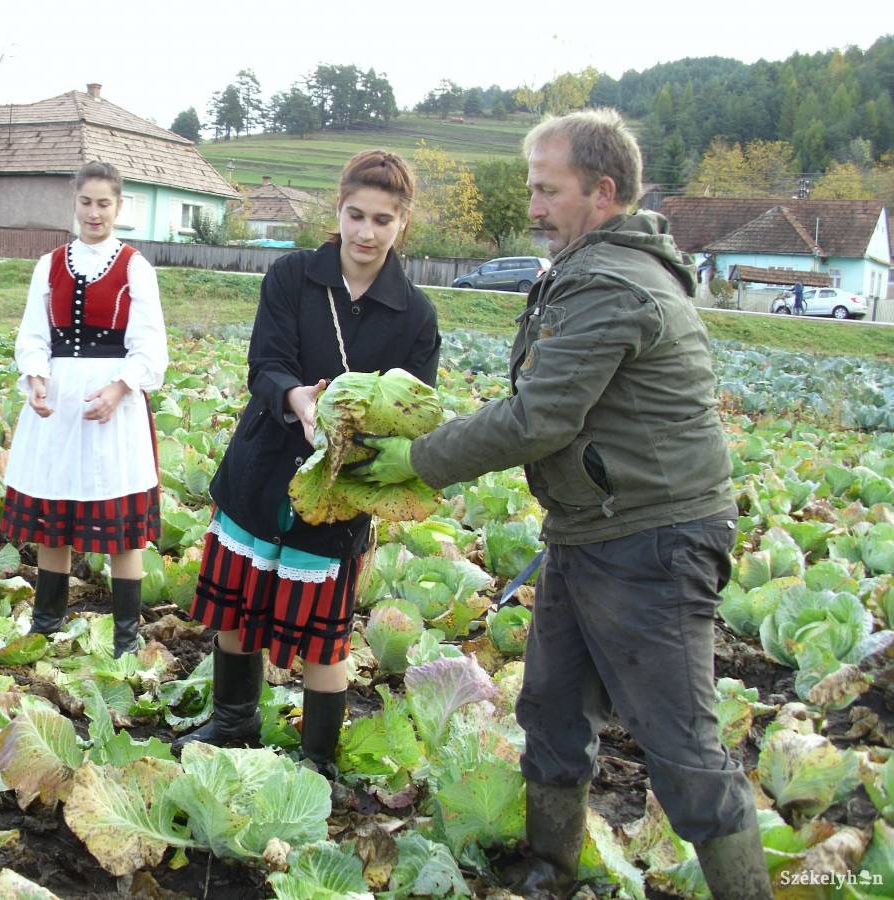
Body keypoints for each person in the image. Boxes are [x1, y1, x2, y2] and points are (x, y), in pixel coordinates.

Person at [356, 111, 770, 900]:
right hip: (592, 529)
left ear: (602, 191)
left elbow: (541, 418)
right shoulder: (590, 266)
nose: (534, 208)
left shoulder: (614, 280)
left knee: (683, 752)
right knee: (549, 714)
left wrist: (415, 458)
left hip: (654, 540)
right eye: (532, 190)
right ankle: (550, 873)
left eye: (548, 190)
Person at [170, 150, 441, 776]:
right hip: (262, 465)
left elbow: (412, 411)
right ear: (338, 210)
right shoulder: (293, 276)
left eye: (382, 220)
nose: (365, 233)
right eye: (354, 215)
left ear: (402, 224)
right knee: (235, 613)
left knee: (327, 637)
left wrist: (350, 436)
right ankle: (234, 724)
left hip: (340, 489)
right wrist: (300, 401)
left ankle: (317, 757)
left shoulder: (416, 314)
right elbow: (264, 365)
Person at [0, 162, 168, 657]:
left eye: (104, 203)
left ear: (119, 207)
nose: (94, 212)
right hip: (58, 403)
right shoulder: (48, 264)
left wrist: (120, 389)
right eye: (86, 202)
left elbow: (150, 347)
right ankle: (47, 623)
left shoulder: (135, 266)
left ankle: (125, 638)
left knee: (121, 527)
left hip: (114, 402)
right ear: (74, 204)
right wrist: (35, 380)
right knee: (54, 511)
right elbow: (32, 336)